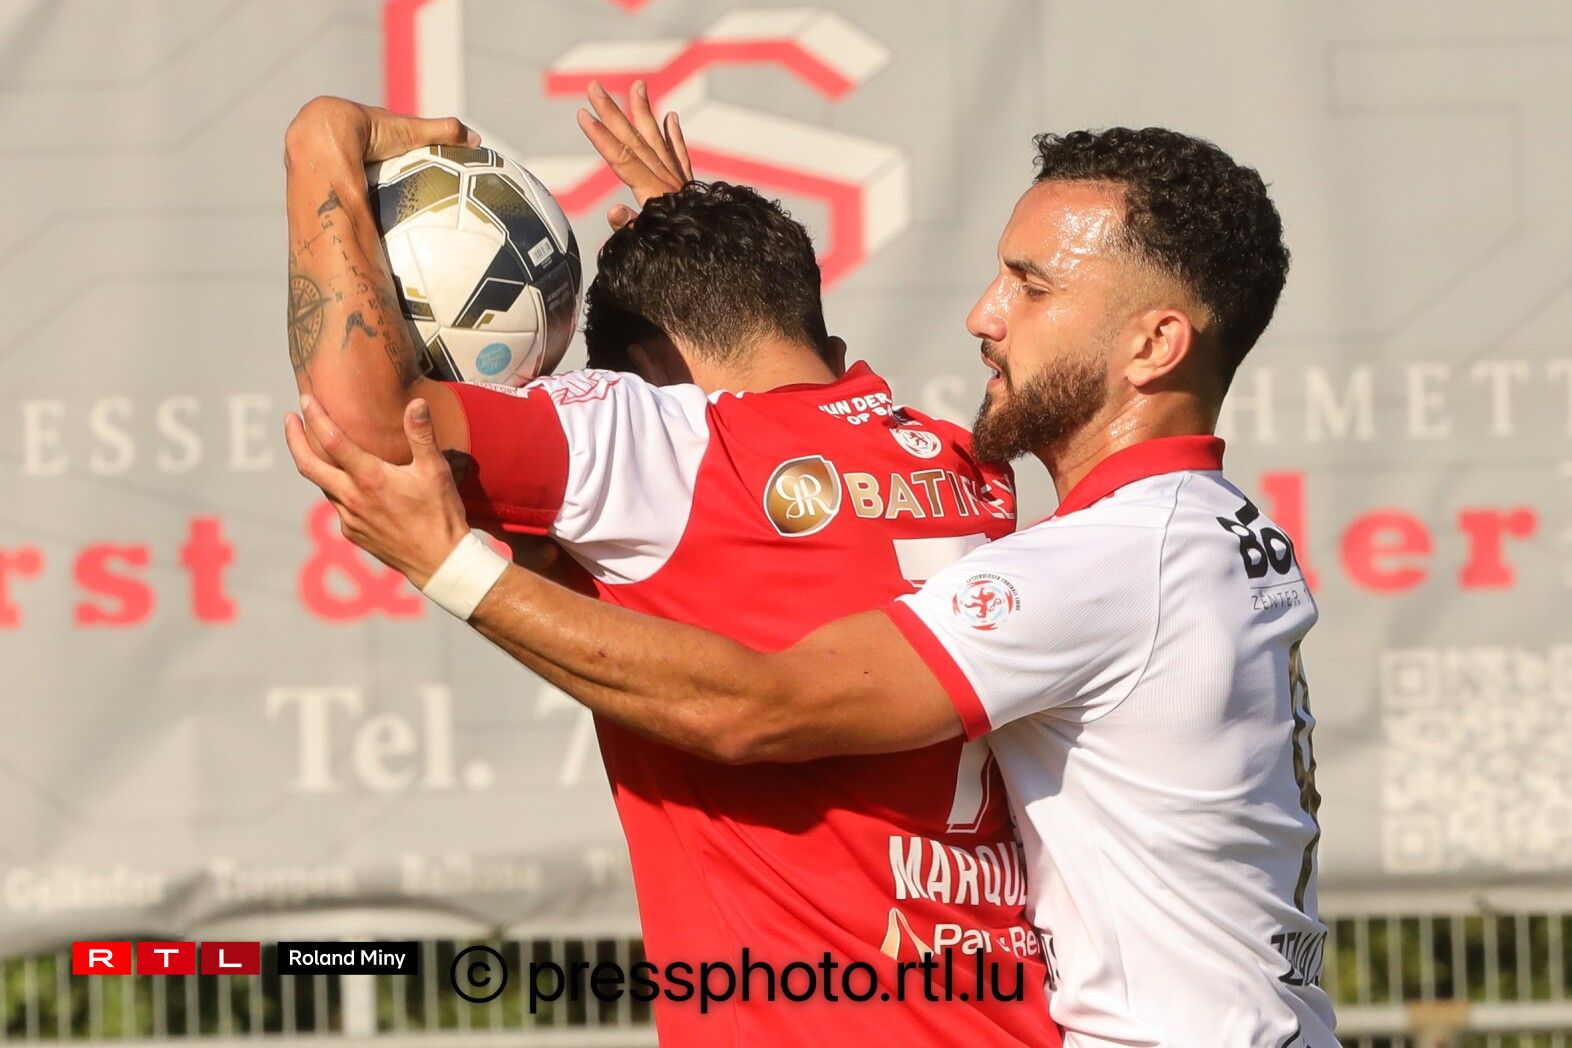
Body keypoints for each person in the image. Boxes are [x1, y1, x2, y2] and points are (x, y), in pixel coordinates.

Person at [290, 125, 1339, 1046]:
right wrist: (703, 252)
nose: (985, 314)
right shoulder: (1024, 489)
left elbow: (760, 704)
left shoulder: (1101, 561)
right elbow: (808, 485)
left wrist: (321, 138)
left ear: (1155, 343)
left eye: (1031, 285)